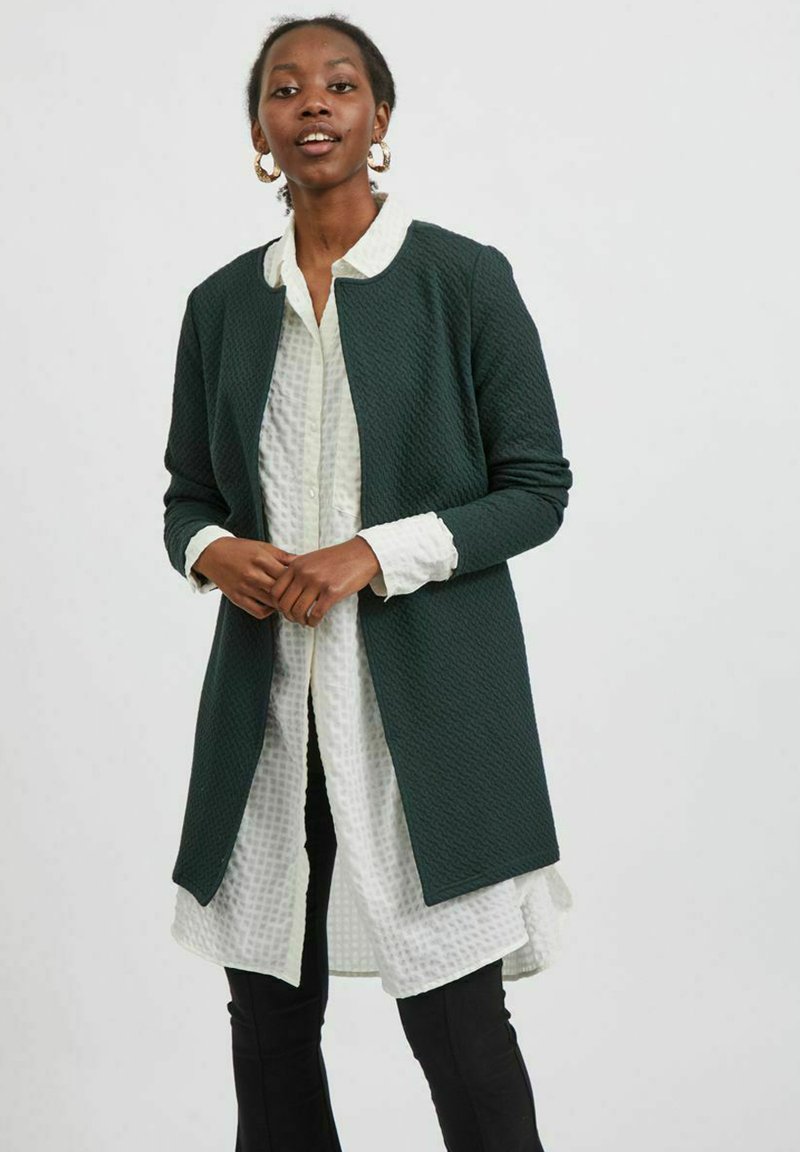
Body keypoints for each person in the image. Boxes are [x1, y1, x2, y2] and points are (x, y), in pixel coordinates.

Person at [162, 14, 574, 1151]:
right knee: (268, 1025)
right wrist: (212, 551)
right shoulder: (219, 305)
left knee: (457, 1024)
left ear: (377, 116)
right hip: (267, 707)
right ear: (260, 129)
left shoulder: (461, 279)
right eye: (284, 88)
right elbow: (187, 497)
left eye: (340, 85)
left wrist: (372, 553)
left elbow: (536, 489)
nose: (312, 103)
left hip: (423, 711)